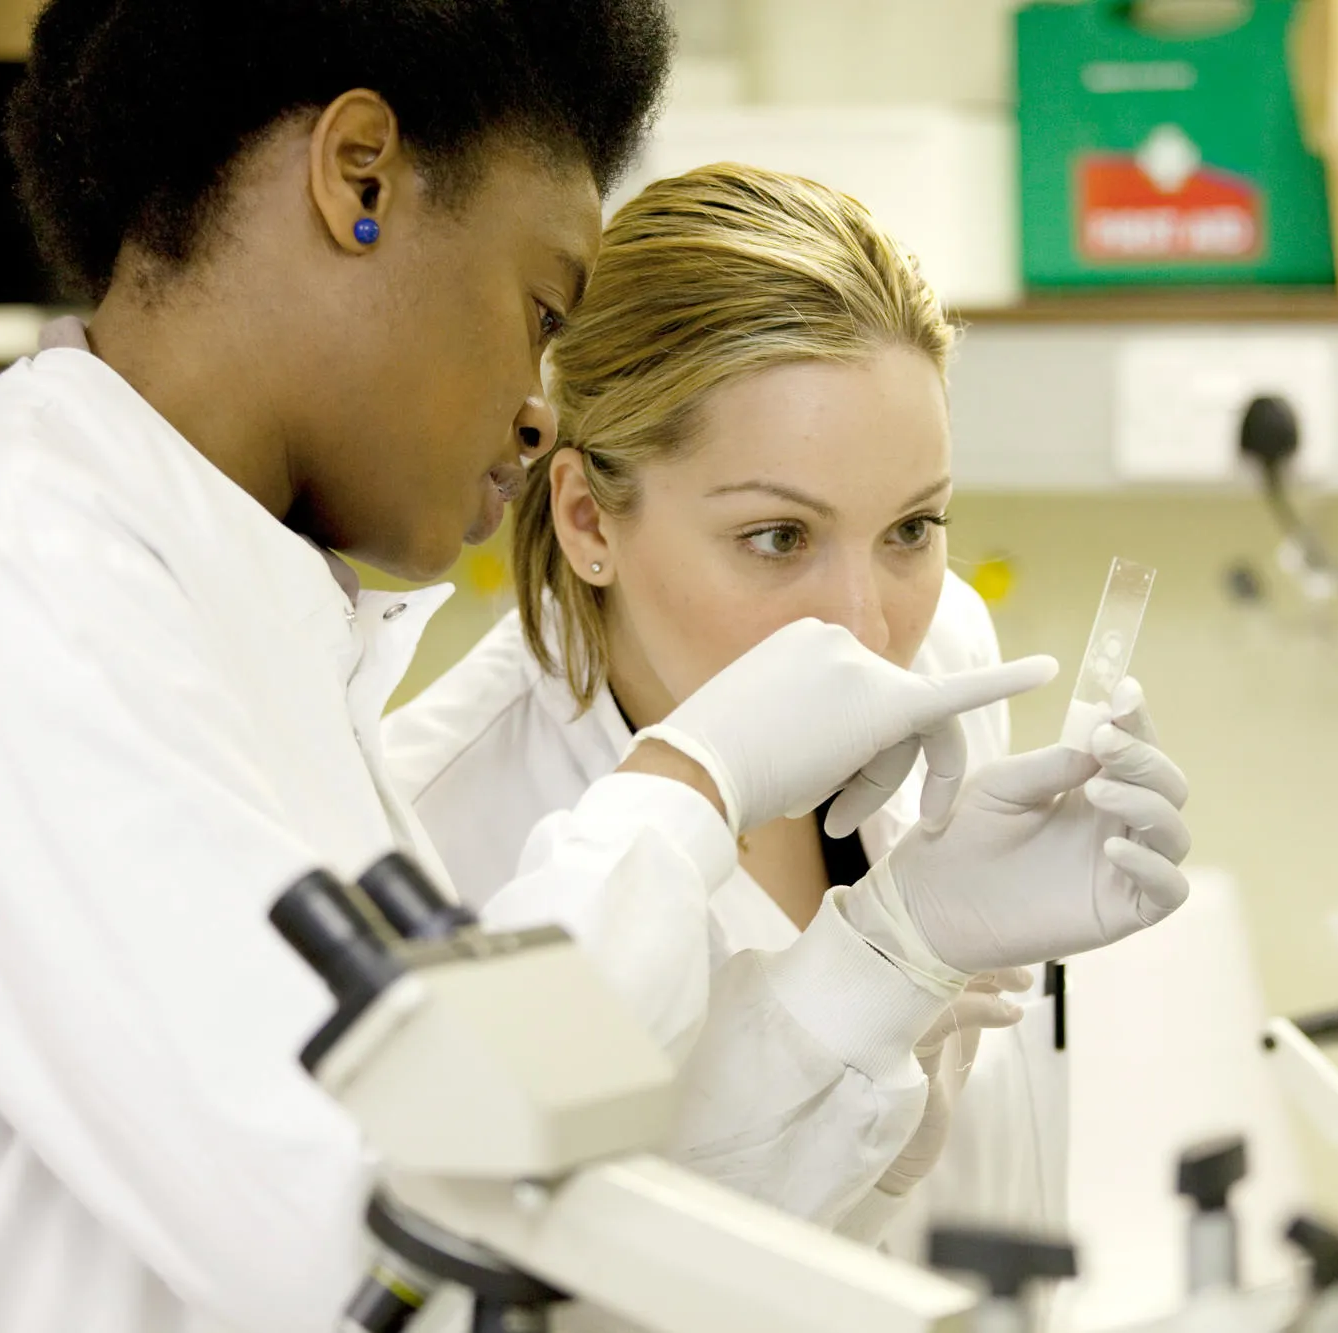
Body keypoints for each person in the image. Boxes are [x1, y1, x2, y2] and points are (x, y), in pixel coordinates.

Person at [0, 7, 1085, 1333]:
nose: (535, 403)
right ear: (362, 179)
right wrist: (690, 780)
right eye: (539, 306)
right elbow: (395, 1231)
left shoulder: (241, 613)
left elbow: (561, 1230)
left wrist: (892, 958)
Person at [385, 164, 1195, 1243]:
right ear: (587, 520)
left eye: (911, 526)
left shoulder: (943, 639)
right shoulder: (436, 820)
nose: (863, 625)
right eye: (777, 537)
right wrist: (895, 963)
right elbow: (538, 1263)